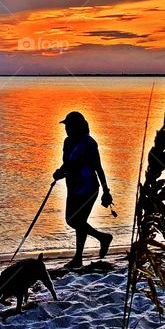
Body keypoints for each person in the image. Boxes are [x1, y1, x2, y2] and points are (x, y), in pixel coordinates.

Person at [53, 111, 113, 268]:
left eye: (69, 126)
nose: (66, 129)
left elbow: (98, 167)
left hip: (88, 188)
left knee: (74, 220)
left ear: (77, 127)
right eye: (66, 126)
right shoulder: (67, 142)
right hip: (73, 187)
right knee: (78, 222)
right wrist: (60, 172)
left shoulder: (89, 143)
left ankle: (102, 238)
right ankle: (78, 258)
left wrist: (106, 191)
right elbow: (68, 163)